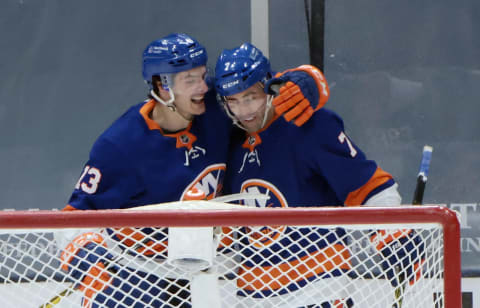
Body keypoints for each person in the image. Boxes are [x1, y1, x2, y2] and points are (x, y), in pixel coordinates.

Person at [56, 33, 327, 308]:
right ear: (163, 86)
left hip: (208, 268)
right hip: (136, 274)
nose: (203, 87)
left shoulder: (217, 105)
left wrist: (306, 81)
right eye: (190, 80)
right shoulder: (119, 145)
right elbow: (73, 221)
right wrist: (91, 269)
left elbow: (264, 82)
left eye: (202, 75)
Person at [214, 43, 424, 307]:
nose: (244, 111)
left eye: (251, 97)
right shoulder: (229, 143)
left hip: (319, 288)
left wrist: (394, 235)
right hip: (254, 296)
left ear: (269, 86)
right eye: (233, 101)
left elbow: (367, 185)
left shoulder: (309, 125)